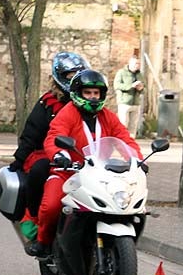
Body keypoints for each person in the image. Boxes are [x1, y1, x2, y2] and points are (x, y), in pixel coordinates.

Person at [29, 69, 140, 257]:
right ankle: (43, 242)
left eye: (96, 93)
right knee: (52, 206)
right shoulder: (68, 113)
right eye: (88, 93)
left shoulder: (108, 116)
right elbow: (55, 136)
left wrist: (136, 159)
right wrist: (59, 154)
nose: (93, 97)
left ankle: (115, 248)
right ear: (78, 93)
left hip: (100, 174)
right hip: (69, 172)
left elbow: (124, 138)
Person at [10, 51, 89, 224]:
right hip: (49, 154)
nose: (75, 78)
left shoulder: (91, 103)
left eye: (78, 74)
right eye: (70, 75)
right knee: (39, 169)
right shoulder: (48, 103)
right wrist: (19, 159)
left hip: (82, 156)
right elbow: (32, 132)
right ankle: (34, 217)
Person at [114, 56, 144, 137]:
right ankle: (121, 141)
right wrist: (131, 86)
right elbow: (117, 85)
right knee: (123, 124)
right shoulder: (121, 72)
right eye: (135, 63)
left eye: (138, 64)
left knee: (133, 126)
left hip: (136, 103)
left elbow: (144, 88)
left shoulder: (140, 74)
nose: (137, 65)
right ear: (130, 64)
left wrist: (141, 88)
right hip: (124, 103)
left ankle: (131, 143)